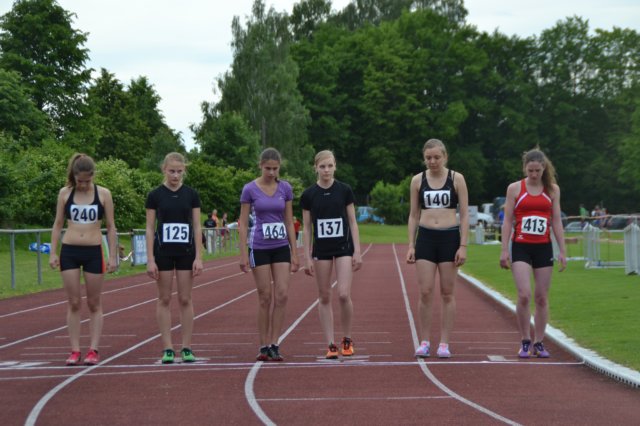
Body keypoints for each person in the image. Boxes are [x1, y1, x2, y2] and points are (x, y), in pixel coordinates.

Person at [49, 153, 117, 366]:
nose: (84, 185)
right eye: (80, 181)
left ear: (93, 176)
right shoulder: (65, 193)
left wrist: (112, 255)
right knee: (74, 302)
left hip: (93, 252)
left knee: (94, 302)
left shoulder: (103, 194)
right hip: (69, 251)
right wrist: (53, 252)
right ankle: (75, 350)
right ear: (74, 176)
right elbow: (58, 224)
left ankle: (93, 349)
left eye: (87, 181)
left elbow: (111, 227)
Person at [499, 148, 567, 359]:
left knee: (541, 297)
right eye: (530, 171)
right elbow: (507, 220)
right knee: (524, 294)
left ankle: (539, 341)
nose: (534, 174)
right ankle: (525, 340)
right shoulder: (514, 188)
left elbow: (556, 221)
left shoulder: (552, 190)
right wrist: (504, 250)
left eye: (537, 170)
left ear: (543, 168)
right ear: (525, 169)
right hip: (520, 245)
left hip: (543, 247)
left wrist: (562, 250)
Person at [406, 139, 469, 359]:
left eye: (436, 157)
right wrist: (411, 244)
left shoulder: (456, 179)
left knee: (447, 292)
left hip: (449, 238)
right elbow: (413, 215)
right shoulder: (417, 180)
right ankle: (424, 341)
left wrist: (463, 246)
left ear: (445, 157)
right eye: (428, 158)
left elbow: (465, 215)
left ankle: (444, 343)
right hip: (426, 238)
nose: (432, 161)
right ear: (424, 158)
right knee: (425, 291)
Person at [238, 147, 299, 361]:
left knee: (282, 295)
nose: (272, 173)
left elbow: (289, 221)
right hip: (259, 246)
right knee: (265, 296)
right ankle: (263, 345)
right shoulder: (249, 189)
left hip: (281, 246)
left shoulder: (285, 188)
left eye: (275, 169)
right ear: (261, 166)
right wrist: (243, 254)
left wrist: (295, 252)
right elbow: (243, 223)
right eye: (268, 169)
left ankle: (275, 343)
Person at [301, 150, 363, 359]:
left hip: (343, 247)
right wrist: (307, 256)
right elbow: (307, 228)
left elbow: (353, 222)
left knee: (344, 294)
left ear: (335, 166)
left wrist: (357, 251)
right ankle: (330, 343)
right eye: (322, 167)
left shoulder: (344, 190)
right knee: (324, 295)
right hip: (321, 250)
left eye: (330, 166)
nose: (326, 170)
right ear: (315, 168)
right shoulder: (308, 195)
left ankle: (347, 338)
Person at [145, 152, 203, 364]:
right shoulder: (155, 195)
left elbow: (197, 226)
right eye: (172, 171)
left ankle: (186, 347)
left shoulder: (191, 195)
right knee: (164, 298)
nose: (175, 176)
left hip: (186, 252)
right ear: (164, 170)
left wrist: (199, 256)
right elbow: (149, 228)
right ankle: (168, 348)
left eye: (179, 171)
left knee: (185, 298)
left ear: (184, 171)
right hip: (163, 252)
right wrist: (150, 259)